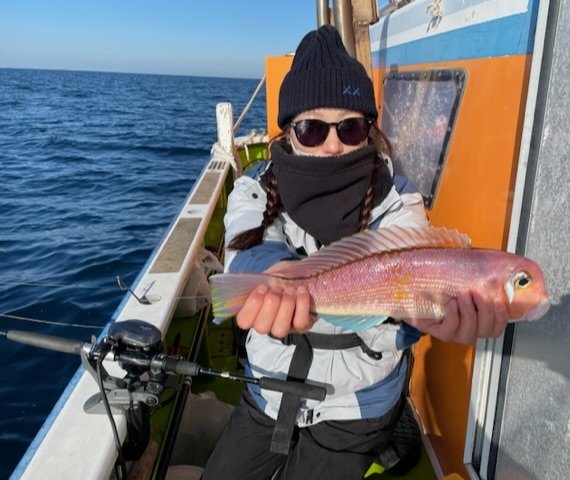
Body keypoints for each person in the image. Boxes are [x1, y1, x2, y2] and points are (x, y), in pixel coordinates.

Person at [202, 25, 508, 480]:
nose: (333, 145)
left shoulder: (399, 200)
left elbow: (409, 264)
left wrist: (422, 316)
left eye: (350, 128)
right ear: (288, 134)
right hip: (268, 389)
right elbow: (248, 250)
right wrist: (274, 283)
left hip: (357, 405)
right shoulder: (255, 186)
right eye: (311, 129)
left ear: (369, 131)